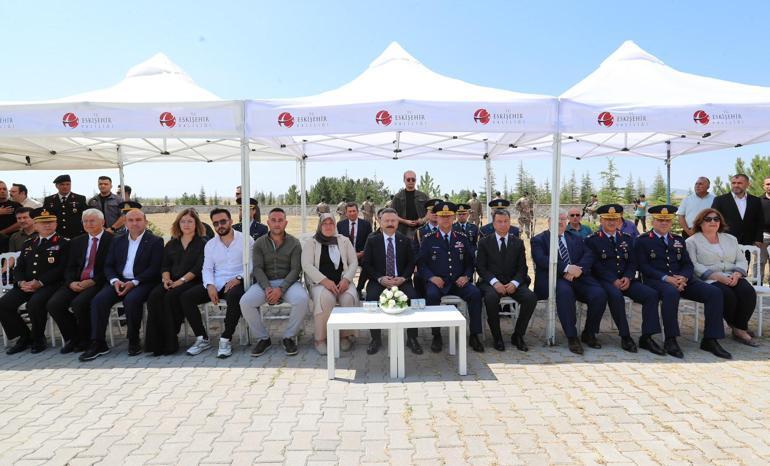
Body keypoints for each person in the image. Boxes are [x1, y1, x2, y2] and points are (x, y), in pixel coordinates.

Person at [634, 205, 730, 359]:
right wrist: (667, 278)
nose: (664, 223)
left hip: (682, 280)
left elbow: (687, 264)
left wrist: (684, 277)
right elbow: (643, 266)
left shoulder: (678, 240)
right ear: (653, 221)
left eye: (667, 220)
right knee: (671, 293)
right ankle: (671, 339)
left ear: (671, 221)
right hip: (656, 281)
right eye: (660, 220)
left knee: (714, 292)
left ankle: (710, 339)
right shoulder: (643, 241)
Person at [80, 204, 164, 361]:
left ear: (146, 222)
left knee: (131, 300)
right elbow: (109, 265)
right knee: (98, 300)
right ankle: (98, 343)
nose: (134, 223)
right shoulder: (117, 240)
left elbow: (154, 268)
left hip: (142, 282)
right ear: (125, 223)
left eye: (138, 219)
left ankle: (133, 340)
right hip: (118, 281)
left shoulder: (155, 241)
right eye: (130, 220)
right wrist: (115, 280)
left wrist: (135, 282)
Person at [584, 205, 659, 353]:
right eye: (608, 219)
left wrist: (628, 276)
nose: (612, 222)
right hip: (605, 281)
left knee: (651, 295)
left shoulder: (627, 238)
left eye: (615, 219)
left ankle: (647, 337)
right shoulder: (592, 240)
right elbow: (595, 265)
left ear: (619, 220)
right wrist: (613, 280)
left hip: (626, 280)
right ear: (601, 220)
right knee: (616, 297)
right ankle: (625, 336)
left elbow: (633, 261)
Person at [531, 210, 607, 355]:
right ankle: (572, 337)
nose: (560, 222)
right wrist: (566, 268)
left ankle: (589, 333)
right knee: (565, 292)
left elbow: (589, 254)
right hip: (554, 279)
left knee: (599, 293)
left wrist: (578, 269)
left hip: (578, 278)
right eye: (555, 219)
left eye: (562, 219)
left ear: (566, 221)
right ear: (548, 222)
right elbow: (541, 259)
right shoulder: (539, 239)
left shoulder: (575, 237)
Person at [180, 208, 252, 358]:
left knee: (235, 297)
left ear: (231, 221)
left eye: (223, 221)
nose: (220, 225)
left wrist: (239, 278)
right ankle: (202, 338)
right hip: (217, 282)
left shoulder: (246, 239)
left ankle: (226, 339)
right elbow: (207, 268)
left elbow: (253, 264)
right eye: (216, 223)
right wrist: (209, 285)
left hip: (237, 282)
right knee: (186, 297)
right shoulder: (211, 244)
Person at [240, 208, 308, 357]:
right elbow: (257, 268)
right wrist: (268, 288)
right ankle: (263, 338)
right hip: (265, 283)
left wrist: (281, 290)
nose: (277, 224)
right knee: (245, 302)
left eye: (280, 220)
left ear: (286, 222)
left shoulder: (295, 243)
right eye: (274, 220)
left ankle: (288, 337)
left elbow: (296, 269)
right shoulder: (259, 243)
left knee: (302, 299)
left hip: (288, 283)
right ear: (268, 222)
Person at [418, 201, 484, 353]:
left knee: (475, 294)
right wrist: (431, 278)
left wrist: (466, 276)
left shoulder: (462, 238)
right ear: (437, 218)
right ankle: (436, 335)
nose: (445, 219)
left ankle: (475, 334)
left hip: (457, 282)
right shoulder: (428, 239)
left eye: (449, 216)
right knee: (431, 295)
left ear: (453, 217)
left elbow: (470, 263)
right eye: (442, 216)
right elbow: (421, 264)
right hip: (437, 282)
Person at [686, 208, 758, 347]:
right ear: (700, 223)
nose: (713, 222)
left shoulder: (730, 239)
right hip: (709, 278)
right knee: (727, 295)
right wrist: (716, 276)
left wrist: (737, 274)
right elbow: (693, 264)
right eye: (708, 219)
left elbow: (741, 260)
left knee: (747, 292)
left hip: (732, 275)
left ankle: (740, 326)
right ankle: (738, 330)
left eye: (716, 219)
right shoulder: (692, 241)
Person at [0, 208, 69, 354]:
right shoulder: (29, 243)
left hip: (49, 285)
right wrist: (20, 283)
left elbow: (61, 269)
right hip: (25, 285)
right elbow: (19, 267)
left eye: (50, 222)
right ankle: (24, 337)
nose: (47, 225)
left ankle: (38, 338)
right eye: (42, 222)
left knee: (34, 304)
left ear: (56, 224)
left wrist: (40, 282)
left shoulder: (63, 243)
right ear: (36, 225)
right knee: (3, 304)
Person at [46, 209, 113, 354]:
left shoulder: (113, 240)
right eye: (85, 221)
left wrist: (93, 281)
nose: (88, 224)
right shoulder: (77, 241)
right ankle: (73, 338)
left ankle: (87, 340)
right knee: (54, 304)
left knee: (79, 304)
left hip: (98, 282)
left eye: (92, 220)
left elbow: (112, 267)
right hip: (76, 281)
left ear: (102, 222)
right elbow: (69, 266)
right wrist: (71, 283)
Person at [144, 208, 208, 356]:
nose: (186, 224)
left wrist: (181, 281)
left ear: (196, 224)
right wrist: (166, 279)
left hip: (193, 281)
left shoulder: (203, 243)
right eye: (183, 221)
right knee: (154, 296)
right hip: (172, 281)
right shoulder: (171, 244)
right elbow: (165, 265)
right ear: (178, 224)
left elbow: (198, 267)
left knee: (171, 297)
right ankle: (156, 343)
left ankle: (170, 341)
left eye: (190, 221)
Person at [362, 208, 422, 355]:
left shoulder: (405, 240)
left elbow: (411, 262)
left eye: (393, 221)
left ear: (397, 222)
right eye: (386, 221)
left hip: (401, 280)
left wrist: (403, 278)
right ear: (380, 222)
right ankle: (375, 338)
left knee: (413, 298)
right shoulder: (372, 240)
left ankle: (412, 338)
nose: (390, 223)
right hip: (379, 280)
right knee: (371, 298)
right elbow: (366, 264)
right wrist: (380, 278)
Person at [476, 209, 537, 352]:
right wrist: (495, 282)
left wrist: (515, 283)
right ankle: (497, 337)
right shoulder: (484, 242)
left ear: (510, 222)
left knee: (530, 298)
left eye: (506, 221)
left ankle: (518, 335)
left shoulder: (518, 243)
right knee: (490, 299)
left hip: (512, 283)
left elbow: (522, 268)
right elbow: (481, 268)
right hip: (491, 283)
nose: (503, 224)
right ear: (493, 224)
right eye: (499, 221)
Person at [302, 213, 360, 354]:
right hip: (320, 283)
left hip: (342, 281)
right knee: (326, 299)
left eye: (331, 223)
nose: (328, 226)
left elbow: (353, 262)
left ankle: (344, 336)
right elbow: (307, 265)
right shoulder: (312, 242)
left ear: (335, 225)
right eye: (324, 223)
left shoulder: (344, 241)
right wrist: (325, 281)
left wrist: (346, 279)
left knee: (348, 298)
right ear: (320, 225)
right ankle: (320, 339)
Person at [711, 174, 765, 265]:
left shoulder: (755, 200)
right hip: (725, 240)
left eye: (739, 183)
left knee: (744, 268)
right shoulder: (720, 200)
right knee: (725, 268)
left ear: (748, 184)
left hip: (747, 241)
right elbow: (713, 220)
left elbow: (760, 221)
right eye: (733, 183)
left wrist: (758, 239)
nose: (736, 185)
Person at [336, 202, 372, 298]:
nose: (352, 213)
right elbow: (337, 242)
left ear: (357, 211)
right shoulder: (340, 225)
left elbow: (369, 241)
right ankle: (342, 286)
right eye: (350, 211)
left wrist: (362, 253)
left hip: (361, 255)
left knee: (367, 265)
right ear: (346, 213)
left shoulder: (366, 224)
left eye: (354, 211)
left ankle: (359, 289)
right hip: (344, 256)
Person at [43, 174, 88, 239]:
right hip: (56, 235)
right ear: (56, 186)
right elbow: (46, 218)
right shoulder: (49, 200)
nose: (65, 187)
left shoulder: (80, 198)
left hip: (76, 235)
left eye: (68, 184)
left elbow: (85, 217)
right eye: (62, 184)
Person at [392, 170, 429, 240]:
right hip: (403, 231)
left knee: (420, 249)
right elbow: (392, 214)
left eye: (413, 179)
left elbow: (431, 210)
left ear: (416, 180)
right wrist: (405, 221)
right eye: (408, 179)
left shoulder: (423, 196)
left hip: (421, 229)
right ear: (404, 180)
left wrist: (423, 220)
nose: (411, 181)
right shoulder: (397, 197)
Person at [0, 181, 21, 252]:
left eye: (4, 189)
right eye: (0, 189)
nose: (2, 191)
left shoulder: (16, 205)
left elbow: (21, 222)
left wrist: (4, 232)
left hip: (11, 241)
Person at [761, 177, 770, 285]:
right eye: (767, 184)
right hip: (763, 236)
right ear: (764, 186)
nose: (769, 186)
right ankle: (756, 284)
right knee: (760, 261)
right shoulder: (758, 200)